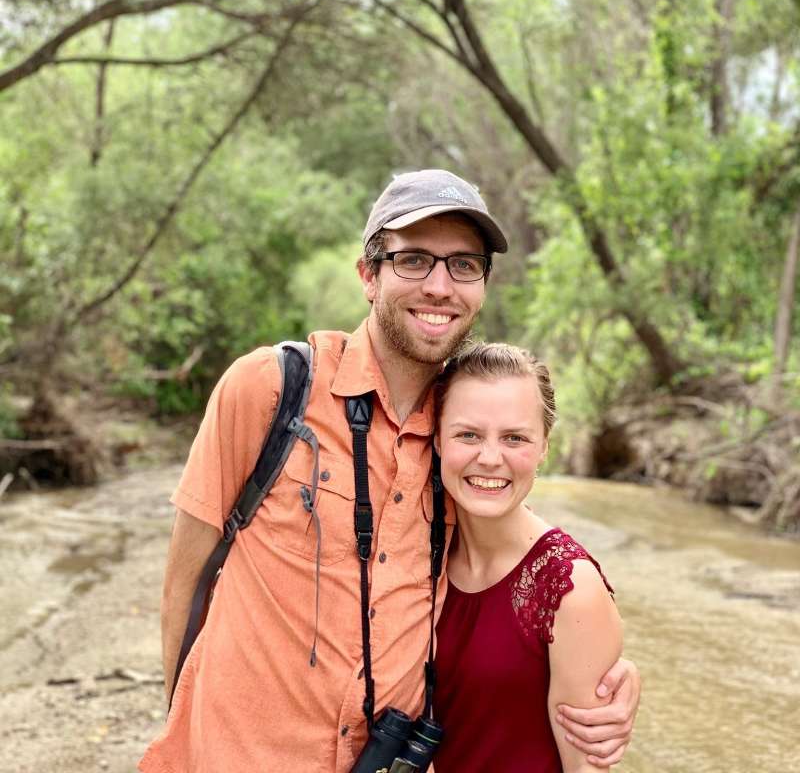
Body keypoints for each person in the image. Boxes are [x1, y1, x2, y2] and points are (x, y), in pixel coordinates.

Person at [139, 169, 639, 773]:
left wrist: (599, 668)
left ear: (482, 285)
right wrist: (180, 724)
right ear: (369, 275)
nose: (439, 286)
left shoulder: (461, 436)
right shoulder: (270, 388)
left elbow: (514, 555)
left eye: (463, 265)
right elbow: (184, 581)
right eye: (414, 260)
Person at [432, 342, 624, 772]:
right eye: (468, 434)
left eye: (514, 438)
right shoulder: (412, 550)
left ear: (544, 449)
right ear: (438, 439)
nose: (490, 458)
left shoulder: (571, 590)